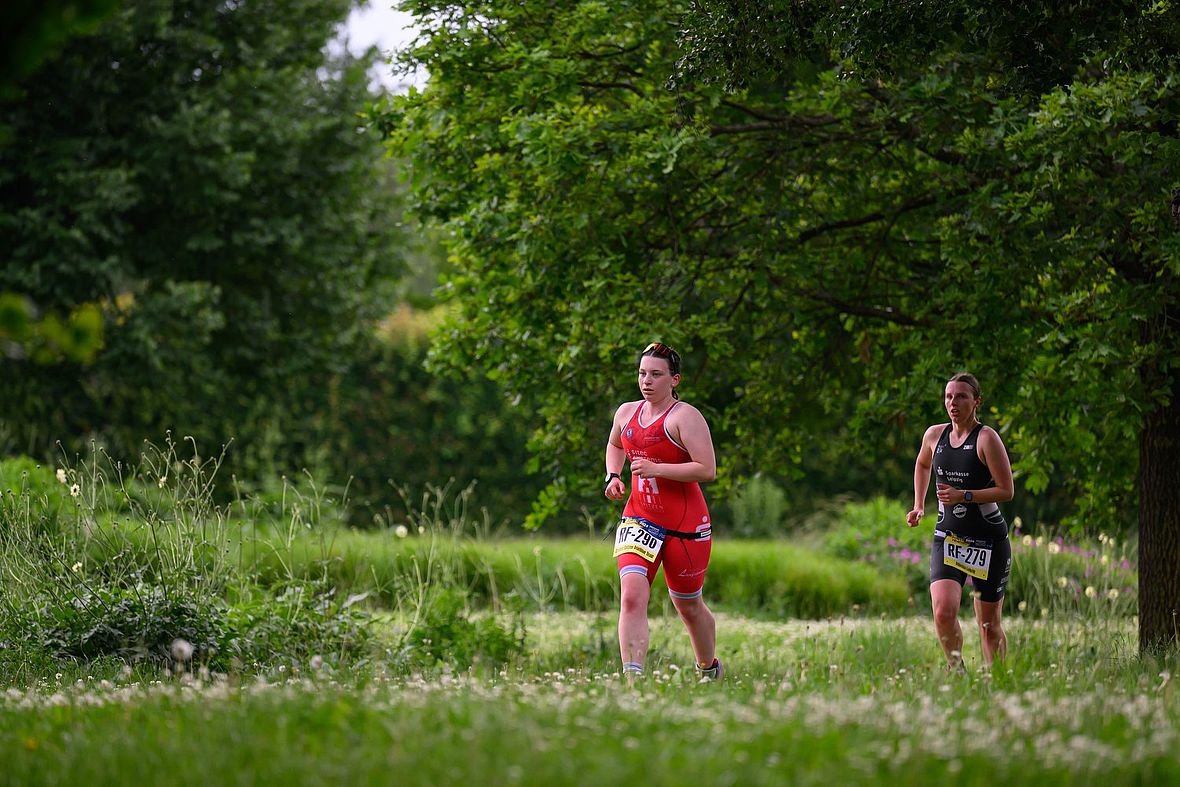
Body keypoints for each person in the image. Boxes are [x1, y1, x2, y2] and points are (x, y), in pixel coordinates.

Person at [604, 341, 721, 681]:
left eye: (656, 374)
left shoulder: (685, 417)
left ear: (675, 380)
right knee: (632, 595)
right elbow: (615, 444)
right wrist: (613, 474)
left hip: (685, 527)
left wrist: (659, 470)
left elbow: (707, 469)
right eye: (642, 373)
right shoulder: (626, 413)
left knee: (688, 606)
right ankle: (633, 679)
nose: (647, 381)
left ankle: (708, 669)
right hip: (640, 517)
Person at [907, 372, 1015, 671]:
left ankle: (999, 683)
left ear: (976, 401)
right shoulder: (934, 435)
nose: (953, 402)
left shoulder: (986, 438)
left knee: (988, 626)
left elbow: (1006, 491)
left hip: (988, 540)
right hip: (949, 538)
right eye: (949, 396)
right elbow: (923, 463)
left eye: (961, 396)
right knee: (942, 612)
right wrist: (919, 504)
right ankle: (958, 673)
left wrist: (963, 496)